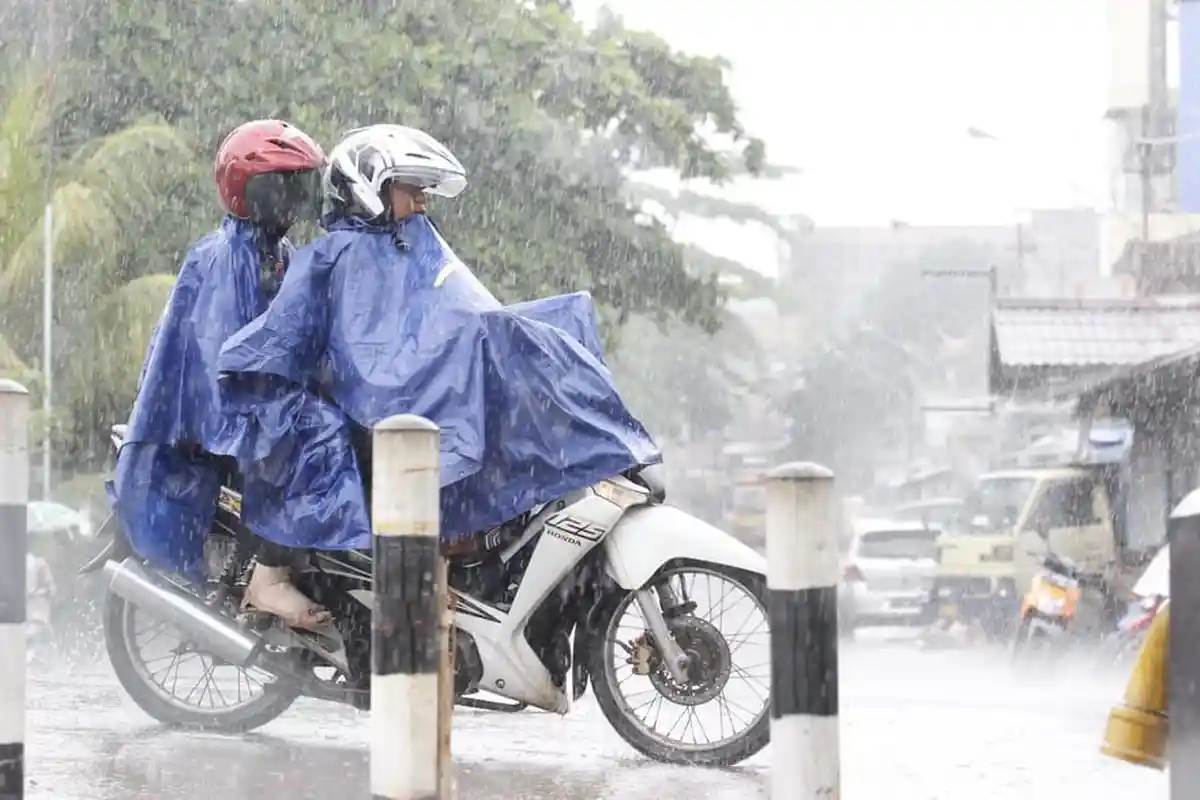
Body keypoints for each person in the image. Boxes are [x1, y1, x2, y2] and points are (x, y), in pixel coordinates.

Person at [113, 119, 333, 631]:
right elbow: (225, 356)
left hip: (252, 395)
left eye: (302, 186)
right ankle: (268, 578)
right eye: (287, 187)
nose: (296, 201)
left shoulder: (273, 253)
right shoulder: (226, 257)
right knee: (312, 442)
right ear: (254, 191)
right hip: (220, 409)